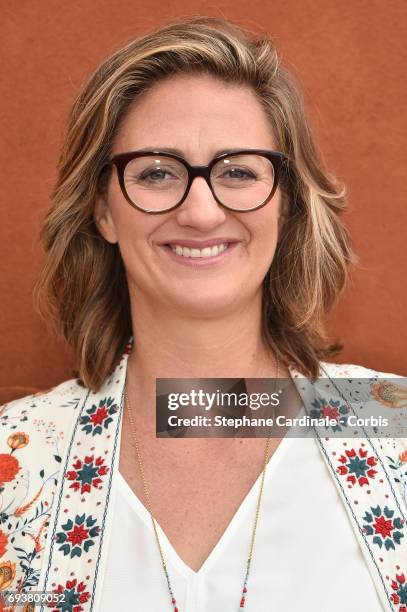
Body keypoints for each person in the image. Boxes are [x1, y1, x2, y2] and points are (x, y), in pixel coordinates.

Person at [0, 16, 406, 612]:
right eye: (157, 172)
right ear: (104, 211)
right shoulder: (17, 457)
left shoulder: (392, 430)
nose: (201, 211)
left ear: (288, 204)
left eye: (238, 171)